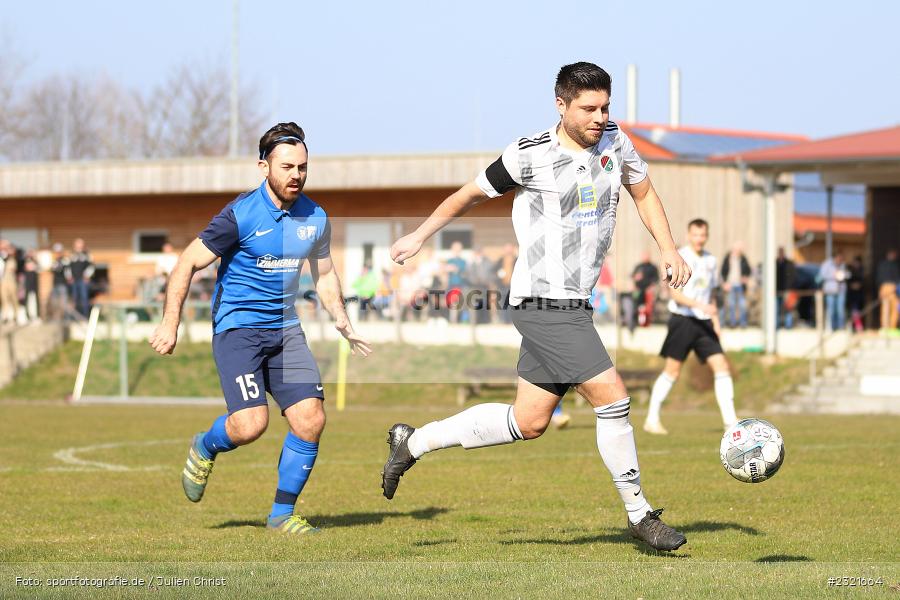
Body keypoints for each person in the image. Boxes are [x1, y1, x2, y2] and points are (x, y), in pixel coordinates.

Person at [381, 62, 691, 552]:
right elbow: (468, 195)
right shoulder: (529, 155)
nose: (600, 116)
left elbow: (644, 191)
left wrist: (669, 248)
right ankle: (640, 514)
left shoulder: (615, 141)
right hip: (542, 301)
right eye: (589, 108)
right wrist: (420, 235)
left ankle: (412, 442)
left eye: (606, 106)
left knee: (528, 421)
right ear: (561, 105)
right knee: (612, 398)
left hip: (575, 304)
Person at [149, 123, 372, 535]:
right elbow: (186, 262)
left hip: (285, 331)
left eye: (302, 167)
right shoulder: (239, 215)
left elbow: (323, 273)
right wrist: (170, 323)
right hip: (238, 331)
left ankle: (281, 515)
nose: (296, 175)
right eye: (287, 166)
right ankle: (205, 445)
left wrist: (341, 319)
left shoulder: (315, 216)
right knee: (251, 425)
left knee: (311, 419)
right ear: (263, 166)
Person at [644, 219, 737, 436]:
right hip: (683, 320)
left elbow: (712, 294)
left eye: (703, 235)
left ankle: (730, 420)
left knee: (721, 365)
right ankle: (651, 418)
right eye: (695, 235)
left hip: (704, 323)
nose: (699, 239)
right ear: (688, 235)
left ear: (707, 236)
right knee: (672, 371)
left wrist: (715, 322)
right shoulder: (680, 256)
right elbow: (675, 293)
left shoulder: (711, 261)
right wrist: (699, 305)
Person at [720, 241, 751, 328]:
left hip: (740, 285)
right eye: (736, 250)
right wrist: (725, 283)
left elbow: (748, 270)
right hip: (730, 285)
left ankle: (743, 324)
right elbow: (723, 271)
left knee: (742, 305)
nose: (738, 251)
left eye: (739, 250)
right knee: (731, 305)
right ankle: (732, 323)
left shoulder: (743, 259)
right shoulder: (727, 258)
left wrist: (745, 277)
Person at [818, 252, 848, 330]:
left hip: (840, 290)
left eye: (841, 259)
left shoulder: (842, 265)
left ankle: (840, 327)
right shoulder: (827, 264)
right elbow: (822, 275)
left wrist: (843, 275)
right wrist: (833, 275)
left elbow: (847, 274)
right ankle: (831, 327)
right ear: (835, 258)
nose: (839, 260)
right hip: (830, 290)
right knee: (831, 310)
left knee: (840, 310)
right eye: (838, 258)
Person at [632, 251, 659, 328]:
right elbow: (633, 276)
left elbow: (656, 279)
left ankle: (647, 322)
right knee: (638, 305)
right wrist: (636, 278)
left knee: (648, 307)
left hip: (648, 290)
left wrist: (651, 287)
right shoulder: (638, 267)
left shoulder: (653, 267)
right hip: (639, 290)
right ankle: (637, 322)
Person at [69, 238, 95, 318]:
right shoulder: (72, 255)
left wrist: (87, 276)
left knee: (84, 298)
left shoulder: (87, 254)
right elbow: (68, 267)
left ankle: (85, 316)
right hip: (74, 280)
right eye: (77, 244)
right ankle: (75, 317)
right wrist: (69, 277)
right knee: (74, 298)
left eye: (80, 244)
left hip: (83, 280)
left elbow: (91, 266)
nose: (78, 246)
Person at [876, 249, 899, 331]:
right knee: (890, 308)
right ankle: (889, 328)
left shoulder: (881, 265)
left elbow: (878, 278)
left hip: (886, 287)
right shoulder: (895, 265)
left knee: (890, 308)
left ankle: (888, 328)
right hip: (891, 287)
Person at [775, 247, 796, 329]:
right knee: (776, 309)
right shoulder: (774, 263)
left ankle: (788, 325)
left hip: (787, 290)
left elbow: (793, 277)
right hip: (777, 290)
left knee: (788, 308)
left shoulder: (789, 264)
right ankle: (776, 324)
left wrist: (789, 288)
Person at [0, 241, 19, 324]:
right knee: (4, 299)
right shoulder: (2, 256)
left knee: (14, 298)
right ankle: (5, 316)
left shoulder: (11, 257)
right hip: (3, 280)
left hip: (11, 280)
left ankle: (15, 316)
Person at [846, 255, 865, 333]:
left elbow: (864, 282)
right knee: (853, 311)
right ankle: (857, 326)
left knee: (858, 311)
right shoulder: (849, 270)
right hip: (851, 295)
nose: (856, 264)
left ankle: (857, 326)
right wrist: (851, 285)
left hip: (859, 295)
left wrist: (859, 285)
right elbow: (846, 281)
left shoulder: (862, 271)